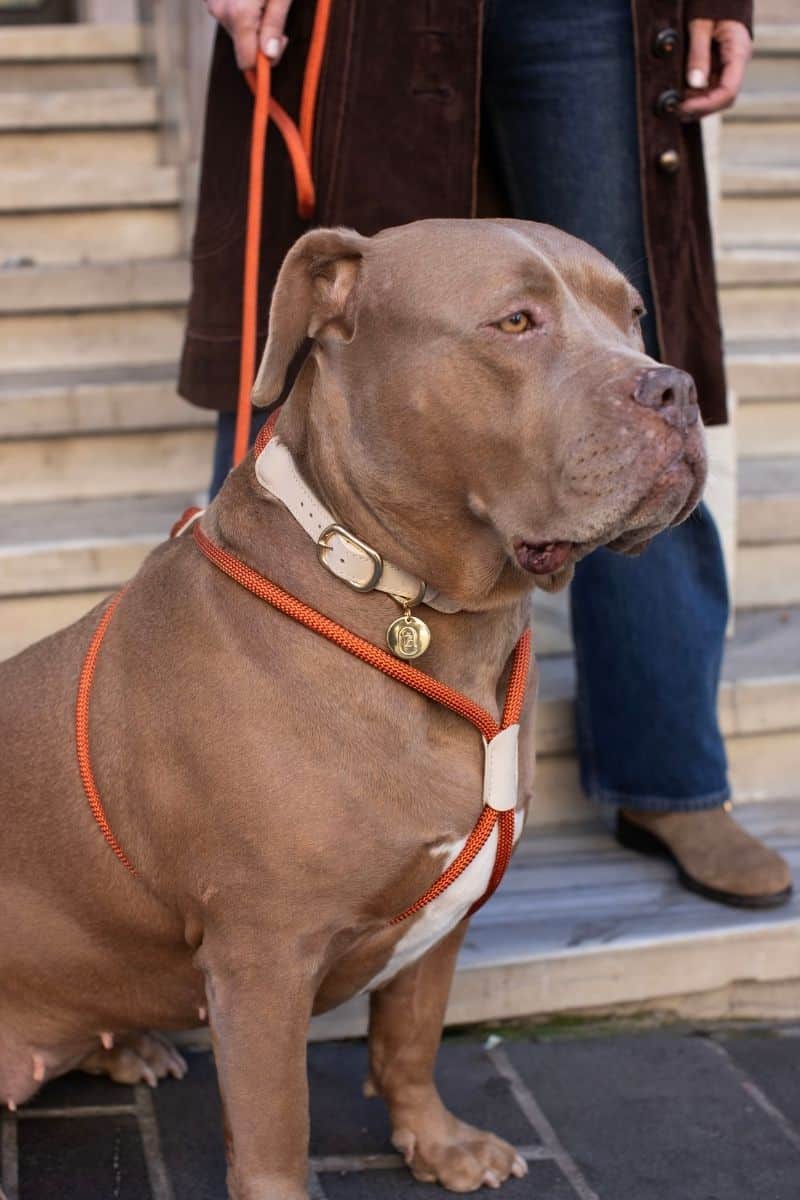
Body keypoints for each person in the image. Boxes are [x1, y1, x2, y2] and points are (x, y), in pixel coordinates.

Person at [180, 0, 792, 908]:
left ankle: (668, 772)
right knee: (335, 345)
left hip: (592, 14)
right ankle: (226, 788)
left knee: (616, 356)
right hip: (355, 21)